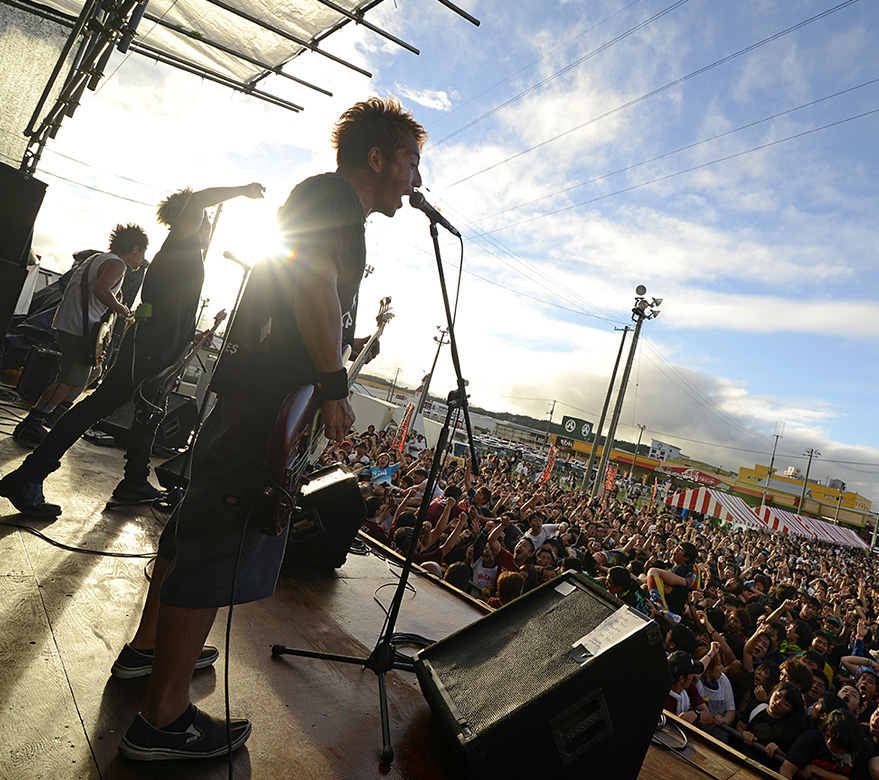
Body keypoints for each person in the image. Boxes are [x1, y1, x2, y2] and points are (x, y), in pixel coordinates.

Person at [113, 97, 426, 761]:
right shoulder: (331, 197)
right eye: (409, 161)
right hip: (261, 402)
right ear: (377, 158)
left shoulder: (330, 203)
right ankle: (161, 721)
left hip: (254, 396)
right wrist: (334, 385)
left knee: (195, 528)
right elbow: (313, 284)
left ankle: (148, 654)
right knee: (217, 537)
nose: (415, 179)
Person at [0, 183, 265, 517]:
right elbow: (197, 201)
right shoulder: (180, 243)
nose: (207, 224)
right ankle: (29, 475)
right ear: (191, 220)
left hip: (158, 349)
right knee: (99, 406)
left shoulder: (187, 255)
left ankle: (134, 481)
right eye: (203, 219)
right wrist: (243, 190)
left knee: (148, 412)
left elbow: (170, 308)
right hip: (149, 350)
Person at [12, 224, 149, 447]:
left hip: (72, 322)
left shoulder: (98, 258)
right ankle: (32, 423)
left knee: (94, 372)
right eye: (142, 253)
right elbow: (100, 290)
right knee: (68, 380)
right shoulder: (117, 264)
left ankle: (55, 414)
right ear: (134, 249)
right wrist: (122, 309)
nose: (142, 259)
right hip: (80, 327)